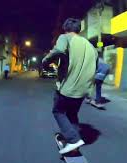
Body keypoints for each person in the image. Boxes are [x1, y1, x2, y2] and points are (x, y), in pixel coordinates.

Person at [42, 18, 97, 154]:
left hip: (68, 87)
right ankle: (74, 142)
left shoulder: (65, 37)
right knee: (72, 114)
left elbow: (58, 50)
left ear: (65, 29)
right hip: (83, 89)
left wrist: (45, 61)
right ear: (78, 29)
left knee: (58, 111)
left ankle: (73, 140)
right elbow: (96, 65)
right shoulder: (90, 45)